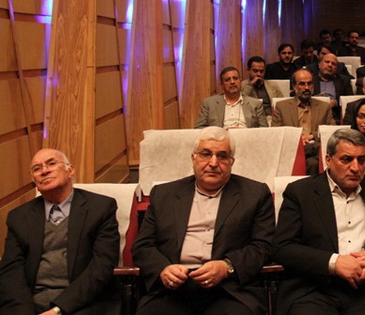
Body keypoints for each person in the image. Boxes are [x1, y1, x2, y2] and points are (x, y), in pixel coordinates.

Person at [133, 127, 275, 315]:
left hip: (230, 290)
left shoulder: (255, 194)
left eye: (222, 156)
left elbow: (263, 246)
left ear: (231, 162)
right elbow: (143, 246)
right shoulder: (164, 194)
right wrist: (163, 269)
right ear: (193, 158)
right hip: (173, 290)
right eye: (206, 154)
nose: (213, 163)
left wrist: (227, 266)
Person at [274, 128, 365, 315]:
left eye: (361, 160)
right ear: (328, 160)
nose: (356, 168)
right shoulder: (300, 192)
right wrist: (334, 263)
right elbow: (283, 247)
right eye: (347, 159)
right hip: (313, 289)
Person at [0, 149, 119, 315]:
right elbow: (11, 272)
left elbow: (101, 267)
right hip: (29, 304)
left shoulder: (100, 208)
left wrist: (58, 310)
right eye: (37, 169)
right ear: (34, 180)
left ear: (70, 170)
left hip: (82, 303)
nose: (44, 171)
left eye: (51, 163)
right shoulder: (19, 217)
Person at [272, 69, 336, 174]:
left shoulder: (324, 107)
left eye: (309, 84)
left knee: (313, 162)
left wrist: (312, 136)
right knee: (312, 160)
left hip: (316, 149)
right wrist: (298, 139)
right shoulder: (282, 106)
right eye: (302, 84)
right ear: (294, 86)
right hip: (292, 149)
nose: (306, 87)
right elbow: (276, 133)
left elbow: (332, 131)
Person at [195, 67, 268, 129]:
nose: (232, 82)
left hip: (247, 138)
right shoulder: (209, 104)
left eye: (235, 78)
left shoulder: (255, 104)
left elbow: (264, 130)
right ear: (222, 85)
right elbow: (199, 128)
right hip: (219, 139)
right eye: (227, 80)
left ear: (240, 81)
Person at [313, 53, 353, 120]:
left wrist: (336, 103)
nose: (330, 65)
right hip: (315, 115)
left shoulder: (344, 81)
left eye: (333, 64)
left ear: (336, 68)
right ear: (319, 65)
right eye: (327, 62)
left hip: (336, 115)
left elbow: (350, 100)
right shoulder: (311, 80)